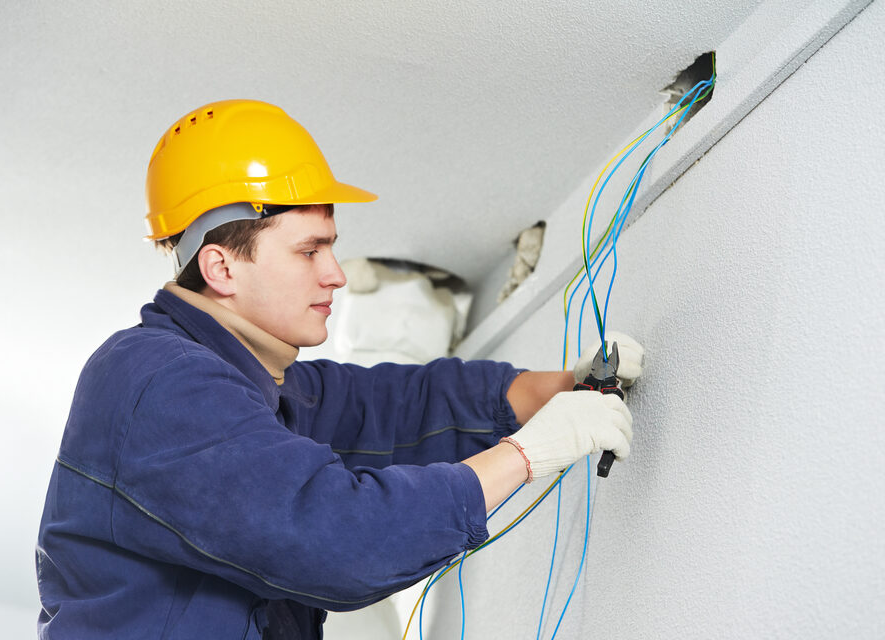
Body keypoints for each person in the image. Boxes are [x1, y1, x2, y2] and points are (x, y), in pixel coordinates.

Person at [35, 99, 644, 639]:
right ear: (221, 268)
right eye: (309, 250)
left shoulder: (260, 389)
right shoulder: (158, 381)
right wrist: (529, 454)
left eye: (331, 245)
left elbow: (392, 409)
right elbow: (336, 539)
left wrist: (558, 387)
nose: (337, 273)